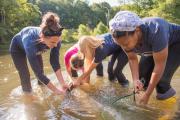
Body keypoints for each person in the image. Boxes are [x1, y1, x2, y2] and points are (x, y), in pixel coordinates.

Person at [109, 11, 180, 104]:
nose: (125, 48)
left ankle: (170, 111)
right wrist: (135, 80)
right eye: (121, 45)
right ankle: (144, 104)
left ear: (137, 31)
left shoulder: (156, 30)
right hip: (155, 47)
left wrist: (147, 95)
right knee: (142, 78)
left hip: (175, 43)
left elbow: (159, 65)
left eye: (126, 44)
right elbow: (132, 59)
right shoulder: (124, 38)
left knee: (161, 81)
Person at [9, 12, 69, 95]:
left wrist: (63, 84)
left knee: (41, 71)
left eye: (57, 42)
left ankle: (42, 90)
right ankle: (28, 95)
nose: (55, 45)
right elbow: (37, 73)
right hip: (17, 49)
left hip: (37, 47)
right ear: (43, 37)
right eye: (53, 42)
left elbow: (54, 62)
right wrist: (56, 91)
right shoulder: (29, 41)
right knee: (25, 75)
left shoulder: (55, 38)